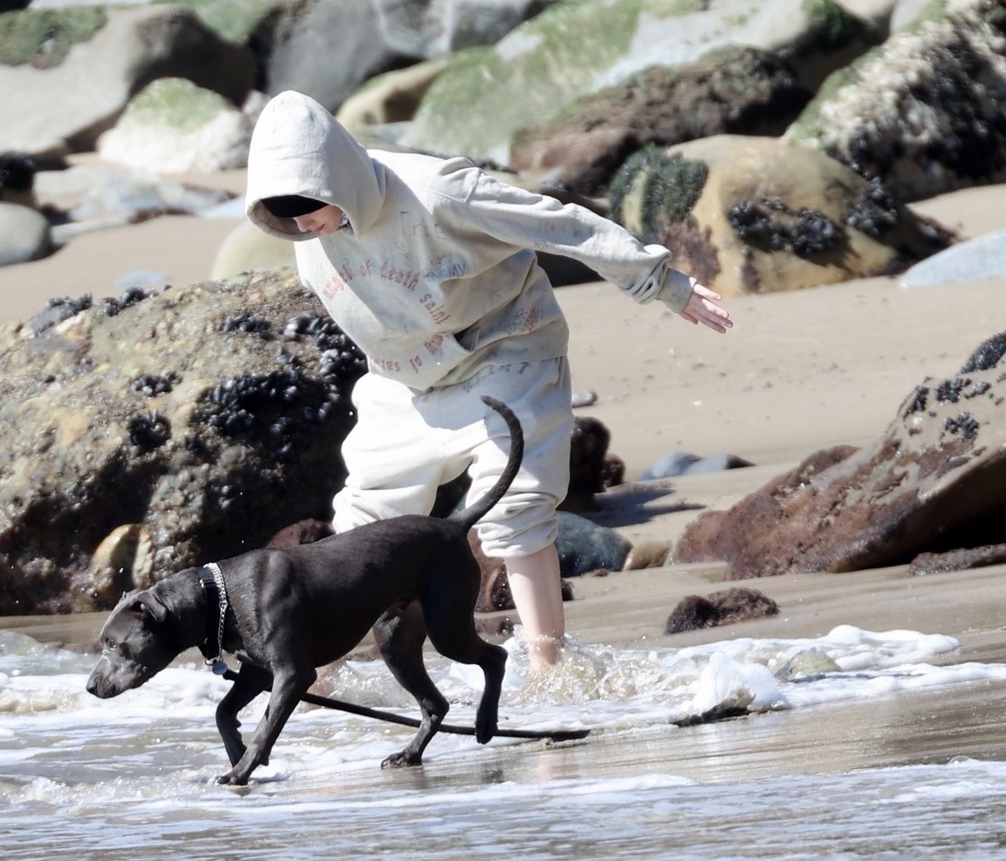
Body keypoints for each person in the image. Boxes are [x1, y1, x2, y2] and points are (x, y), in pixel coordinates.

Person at [245, 91, 732, 667]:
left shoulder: (438, 192)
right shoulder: (308, 235)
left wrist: (662, 283)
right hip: (404, 383)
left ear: (339, 177)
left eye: (308, 205)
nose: (301, 222)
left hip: (507, 350)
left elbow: (558, 224)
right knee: (362, 523)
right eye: (285, 215)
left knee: (515, 505)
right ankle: (318, 676)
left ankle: (548, 666)